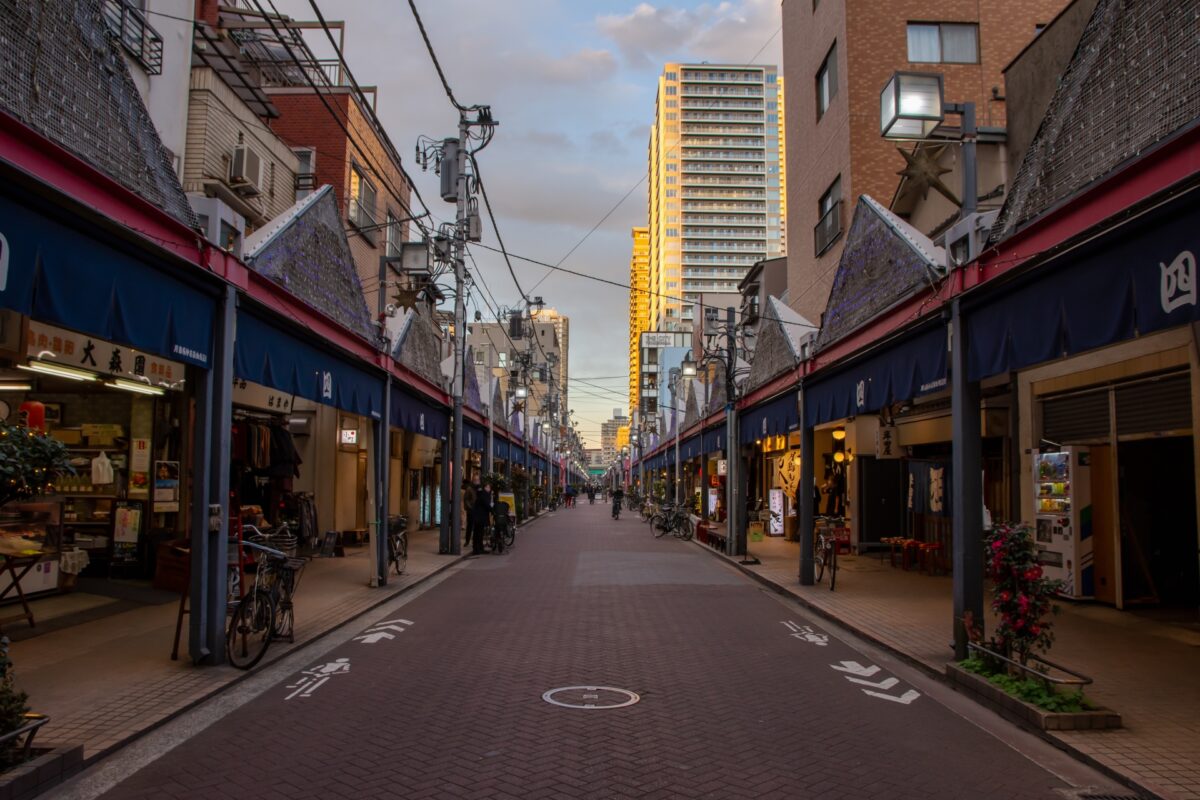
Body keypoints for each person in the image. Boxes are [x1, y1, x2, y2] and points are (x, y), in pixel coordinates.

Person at [469, 480, 493, 554]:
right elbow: (486, 505)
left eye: (489, 487)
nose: (489, 489)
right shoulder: (484, 494)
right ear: (485, 487)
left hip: (477, 516)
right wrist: (492, 509)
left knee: (478, 533)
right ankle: (478, 549)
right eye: (487, 487)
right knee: (479, 533)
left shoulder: (481, 494)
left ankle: (478, 548)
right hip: (480, 517)